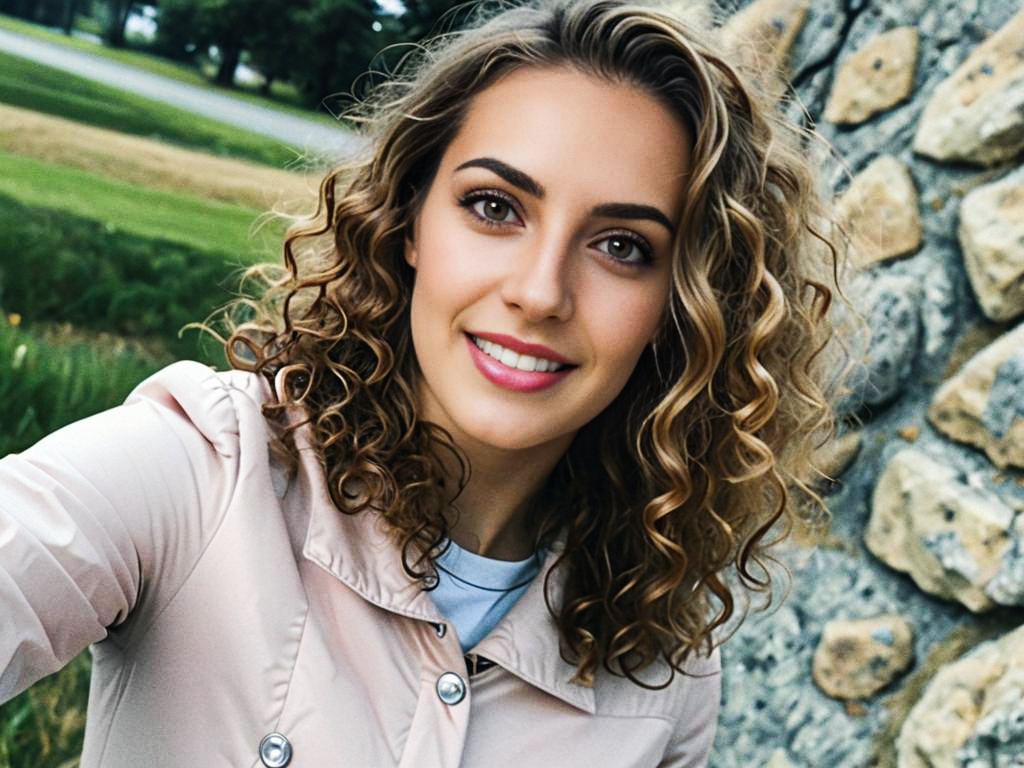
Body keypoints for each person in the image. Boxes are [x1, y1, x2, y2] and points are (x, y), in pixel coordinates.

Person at [0, 0, 840, 765]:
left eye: (622, 246)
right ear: (408, 222)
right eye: (495, 207)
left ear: (683, 307)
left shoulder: (666, 668)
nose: (540, 292)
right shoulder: (205, 468)